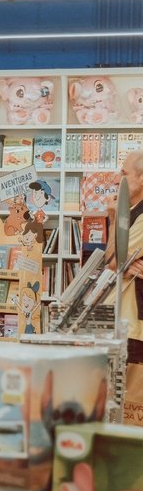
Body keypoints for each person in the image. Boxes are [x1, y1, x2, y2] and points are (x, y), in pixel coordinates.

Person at [107, 151, 143, 364]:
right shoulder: (132, 212)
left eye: (124, 173)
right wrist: (123, 265)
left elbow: (113, 261)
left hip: (134, 326)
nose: (116, 180)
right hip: (127, 322)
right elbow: (118, 262)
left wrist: (113, 219)